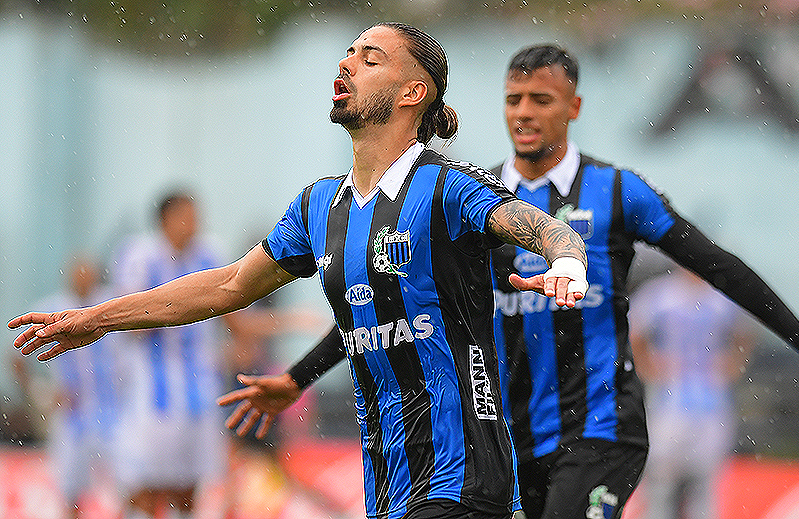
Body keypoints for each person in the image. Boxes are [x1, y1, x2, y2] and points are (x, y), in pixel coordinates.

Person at [9, 23, 589, 519]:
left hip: (461, 477)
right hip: (386, 482)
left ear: (414, 91)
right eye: (347, 55)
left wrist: (566, 260)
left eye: (370, 58)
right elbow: (231, 286)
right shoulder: (318, 208)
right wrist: (99, 318)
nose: (347, 64)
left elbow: (543, 228)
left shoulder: (447, 187)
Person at [237, 42, 799, 519]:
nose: (523, 113)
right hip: (508, 433)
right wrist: (297, 376)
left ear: (572, 108)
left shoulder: (619, 192)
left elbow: (716, 263)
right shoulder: (473, 198)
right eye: (513, 99)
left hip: (599, 429)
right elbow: (401, 304)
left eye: (541, 99)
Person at [106, 191, 231, 519]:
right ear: (165, 220)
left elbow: (234, 313)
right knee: (145, 482)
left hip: (200, 389)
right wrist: (169, 310)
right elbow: (127, 320)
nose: (193, 225)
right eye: (185, 216)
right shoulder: (140, 256)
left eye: (196, 216)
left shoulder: (211, 254)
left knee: (190, 484)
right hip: (152, 390)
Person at [629, 266, 755, 519]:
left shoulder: (721, 299)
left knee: (707, 482)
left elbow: (746, 335)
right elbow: (634, 333)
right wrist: (649, 368)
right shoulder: (660, 293)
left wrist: (731, 367)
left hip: (712, 400)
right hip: (669, 399)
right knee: (661, 479)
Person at [14, 256, 120, 519]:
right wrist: (41, 393)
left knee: (128, 485)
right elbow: (16, 356)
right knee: (71, 492)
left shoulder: (110, 304)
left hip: (113, 412)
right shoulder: (53, 309)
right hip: (73, 416)